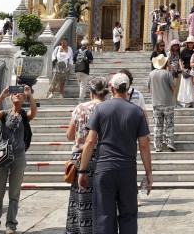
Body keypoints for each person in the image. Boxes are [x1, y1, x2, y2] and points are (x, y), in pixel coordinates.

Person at [76, 72, 153, 234]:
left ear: (112, 88)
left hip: (104, 168)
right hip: (127, 169)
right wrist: (148, 173)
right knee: (129, 215)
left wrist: (82, 170)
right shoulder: (137, 111)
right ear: (128, 88)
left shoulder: (101, 108)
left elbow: (90, 141)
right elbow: (144, 145)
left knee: (104, 215)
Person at [0, 84, 36, 234]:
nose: (18, 95)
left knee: (14, 193)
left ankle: (11, 225)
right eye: (15, 94)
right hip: (2, 156)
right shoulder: (5, 113)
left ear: (24, 98)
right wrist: (1, 96)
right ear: (11, 97)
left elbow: (34, 112)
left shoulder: (25, 115)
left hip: (18, 156)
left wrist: (30, 95)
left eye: (20, 94)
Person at [65, 78, 109, 234]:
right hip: (103, 157)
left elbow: (70, 135)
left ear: (91, 93)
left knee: (81, 199)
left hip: (80, 158)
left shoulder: (80, 108)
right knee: (103, 199)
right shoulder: (108, 109)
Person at [147, 54, 177, 152]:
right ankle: (169, 143)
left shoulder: (151, 74)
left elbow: (149, 88)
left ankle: (158, 146)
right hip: (167, 102)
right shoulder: (167, 73)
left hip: (156, 103)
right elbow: (173, 87)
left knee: (157, 126)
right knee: (169, 124)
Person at [177, 37, 194, 108]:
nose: (190, 44)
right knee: (185, 87)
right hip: (186, 71)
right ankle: (185, 101)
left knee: (192, 87)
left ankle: (192, 101)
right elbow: (180, 60)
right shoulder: (184, 51)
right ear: (187, 43)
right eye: (189, 43)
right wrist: (182, 68)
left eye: (192, 42)